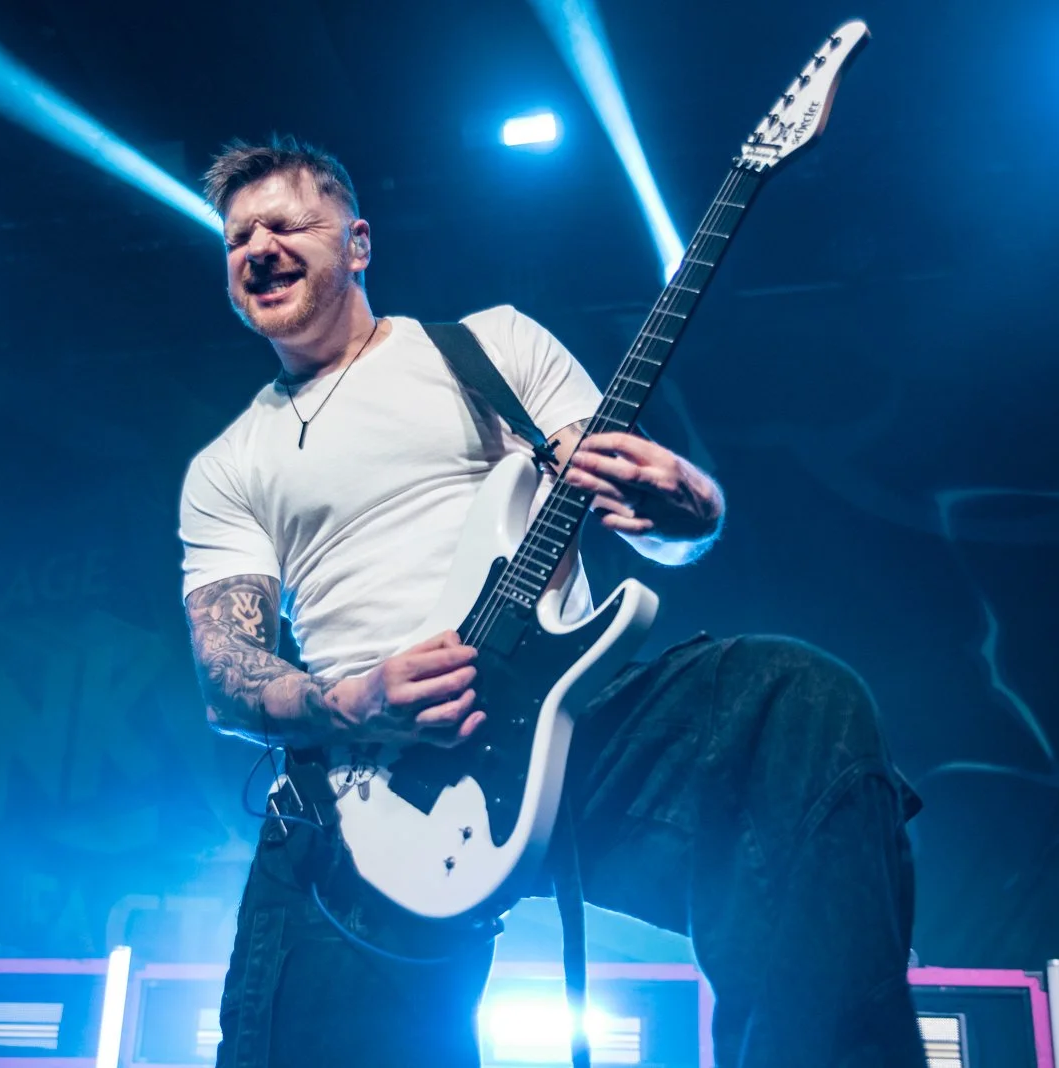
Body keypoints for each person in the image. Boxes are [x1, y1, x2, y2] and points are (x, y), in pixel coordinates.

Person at [179, 135, 926, 1068]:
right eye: (238, 236)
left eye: (285, 223)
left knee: (797, 701)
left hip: (562, 726)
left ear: (359, 243)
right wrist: (357, 700)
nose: (257, 246)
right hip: (362, 787)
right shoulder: (226, 466)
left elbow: (625, 501)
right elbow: (227, 672)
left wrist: (685, 508)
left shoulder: (490, 347)